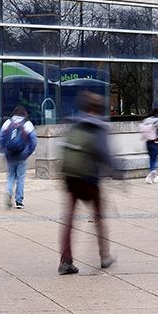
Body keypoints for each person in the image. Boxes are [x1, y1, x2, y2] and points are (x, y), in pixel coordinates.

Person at [58, 91, 116, 275]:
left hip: (71, 177)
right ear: (97, 109)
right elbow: (104, 153)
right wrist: (116, 172)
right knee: (98, 217)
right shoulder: (98, 127)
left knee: (69, 219)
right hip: (89, 179)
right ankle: (104, 256)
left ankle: (65, 261)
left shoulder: (74, 124)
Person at [0, 105, 38, 207]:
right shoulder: (27, 124)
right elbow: (33, 141)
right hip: (22, 155)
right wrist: (28, 152)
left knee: (11, 176)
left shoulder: (8, 123)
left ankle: (8, 191)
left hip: (10, 154)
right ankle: (19, 201)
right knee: (21, 177)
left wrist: (4, 150)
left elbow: (1, 138)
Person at [139, 107, 158, 183]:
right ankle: (151, 175)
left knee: (152, 158)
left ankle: (155, 176)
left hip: (148, 141)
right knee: (154, 159)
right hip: (156, 141)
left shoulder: (146, 120)